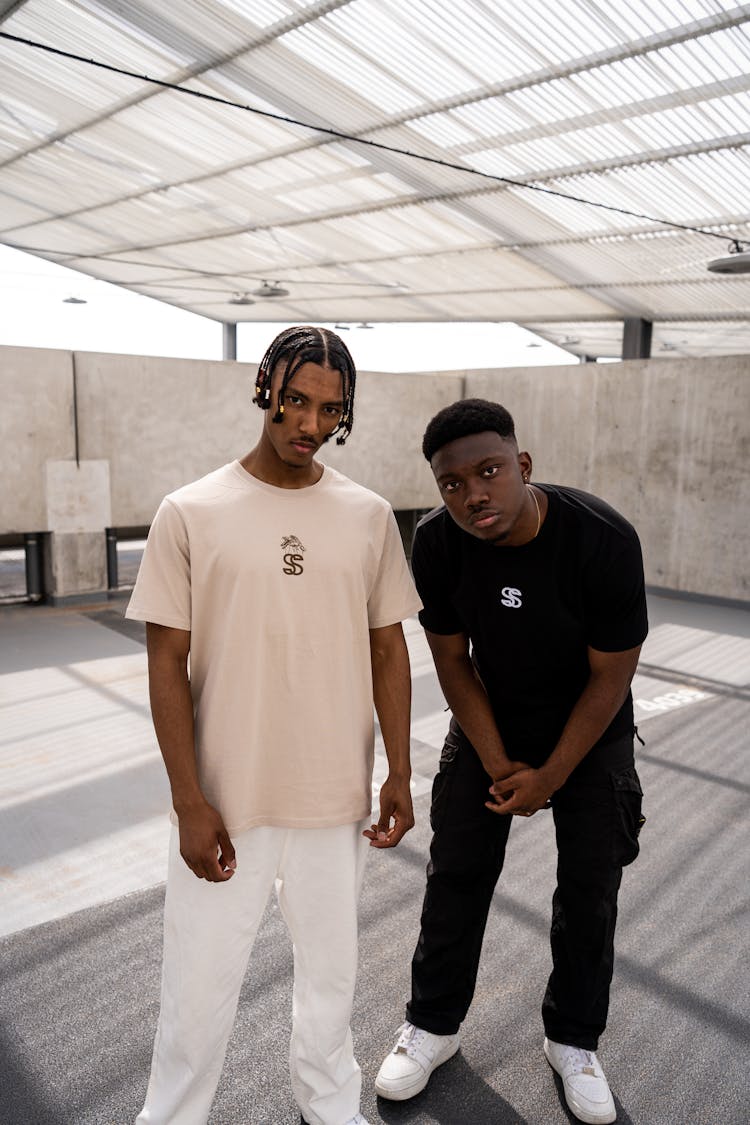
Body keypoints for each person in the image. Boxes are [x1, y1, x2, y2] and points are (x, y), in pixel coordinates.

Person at [126, 326, 421, 1125]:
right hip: (227, 795)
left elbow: (389, 647)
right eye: (296, 399)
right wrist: (189, 797)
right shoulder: (190, 511)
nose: (310, 423)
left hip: (334, 796)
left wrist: (398, 770)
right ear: (265, 386)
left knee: (331, 977)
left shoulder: (365, 515)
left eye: (330, 409)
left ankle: (330, 1106)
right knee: (196, 985)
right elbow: (164, 661)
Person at [375, 398, 647, 1125]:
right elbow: (453, 662)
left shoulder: (602, 539)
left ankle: (574, 1039)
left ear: (522, 466)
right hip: (492, 718)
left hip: (590, 733)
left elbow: (610, 677)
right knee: (456, 872)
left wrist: (551, 776)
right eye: (452, 483)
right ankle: (432, 1023)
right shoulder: (436, 544)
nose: (473, 495)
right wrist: (498, 763)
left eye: (489, 471)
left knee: (589, 889)